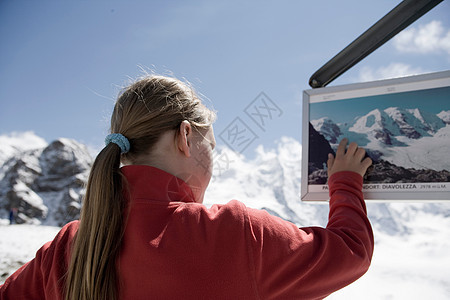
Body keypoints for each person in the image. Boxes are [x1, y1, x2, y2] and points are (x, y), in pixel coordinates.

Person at [0, 75, 373, 300]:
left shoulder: (69, 246)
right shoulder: (235, 234)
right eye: (211, 144)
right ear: (185, 136)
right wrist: (345, 181)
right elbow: (350, 252)